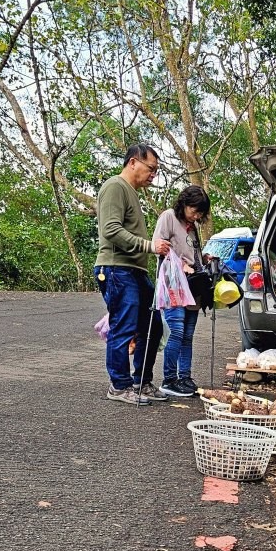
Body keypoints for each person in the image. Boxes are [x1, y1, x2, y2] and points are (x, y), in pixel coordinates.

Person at [94, 143, 171, 405]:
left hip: (135, 271)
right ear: (133, 162)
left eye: (156, 171)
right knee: (124, 326)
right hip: (116, 268)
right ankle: (119, 385)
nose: (153, 175)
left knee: (152, 326)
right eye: (151, 169)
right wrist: (149, 246)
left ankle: (142, 381)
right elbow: (111, 230)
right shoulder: (115, 186)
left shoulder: (132, 193)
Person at [152, 185, 212, 398]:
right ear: (184, 204)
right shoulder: (169, 217)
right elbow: (159, 247)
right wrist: (180, 265)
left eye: (200, 213)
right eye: (194, 210)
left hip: (193, 285)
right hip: (174, 283)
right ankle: (169, 379)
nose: (197, 216)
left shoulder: (192, 226)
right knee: (176, 332)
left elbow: (191, 252)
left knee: (187, 334)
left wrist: (204, 259)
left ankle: (184, 377)